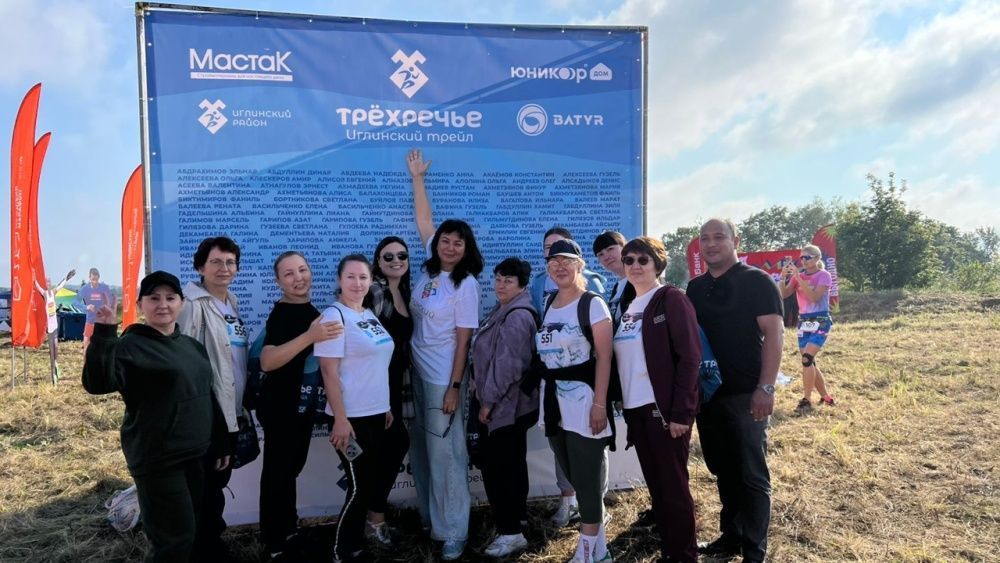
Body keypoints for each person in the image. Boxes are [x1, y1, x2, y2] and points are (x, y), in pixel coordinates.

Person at [82, 271, 231, 562]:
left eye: (170, 298)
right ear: (140, 305)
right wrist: (105, 332)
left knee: (196, 532)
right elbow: (97, 384)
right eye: (154, 298)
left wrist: (221, 439)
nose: (163, 304)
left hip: (197, 456)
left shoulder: (191, 346)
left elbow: (207, 394)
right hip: (159, 459)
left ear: (181, 303)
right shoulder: (130, 346)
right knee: (173, 541)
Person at [686, 219, 784, 563]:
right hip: (709, 395)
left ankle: (754, 551)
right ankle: (732, 537)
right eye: (705, 238)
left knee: (751, 473)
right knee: (723, 469)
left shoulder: (757, 281)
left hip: (747, 394)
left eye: (719, 237)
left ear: (735, 240)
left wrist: (766, 387)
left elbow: (775, 334)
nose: (711, 244)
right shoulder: (695, 288)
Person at [407, 149, 483, 560]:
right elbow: (424, 221)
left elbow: (464, 340)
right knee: (424, 451)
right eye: (445, 240)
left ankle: (454, 530)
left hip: (443, 379)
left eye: (458, 242)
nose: (450, 246)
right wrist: (417, 179)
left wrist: (455, 386)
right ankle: (432, 520)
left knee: (447, 455)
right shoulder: (428, 272)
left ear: (467, 248)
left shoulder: (465, 284)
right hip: (419, 374)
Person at [613, 237, 699, 562]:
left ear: (658, 264)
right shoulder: (629, 307)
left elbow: (690, 358)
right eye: (629, 260)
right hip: (636, 411)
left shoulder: (671, 299)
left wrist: (681, 413)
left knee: (674, 489)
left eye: (643, 260)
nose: (635, 266)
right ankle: (670, 551)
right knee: (658, 488)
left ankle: (684, 556)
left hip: (663, 412)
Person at [530, 238, 615, 563]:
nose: (560, 267)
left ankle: (588, 552)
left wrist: (599, 404)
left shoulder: (593, 304)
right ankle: (600, 551)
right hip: (553, 403)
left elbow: (604, 358)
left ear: (580, 266)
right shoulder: (550, 302)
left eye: (567, 261)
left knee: (587, 479)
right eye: (554, 262)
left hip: (583, 402)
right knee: (575, 478)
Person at [258, 252, 344, 561]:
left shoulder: (310, 310)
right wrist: (310, 336)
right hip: (280, 406)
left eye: (302, 270)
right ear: (278, 282)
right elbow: (268, 361)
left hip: (301, 407)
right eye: (289, 274)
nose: (299, 278)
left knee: (290, 470)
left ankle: (287, 530)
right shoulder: (283, 312)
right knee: (278, 473)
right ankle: (275, 543)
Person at [314, 254, 395, 563]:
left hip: (375, 415)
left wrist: (385, 406)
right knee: (360, 487)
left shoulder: (368, 314)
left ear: (371, 280)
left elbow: (375, 364)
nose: (357, 283)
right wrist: (340, 419)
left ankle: (356, 545)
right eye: (350, 276)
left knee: (368, 483)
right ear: (339, 280)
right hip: (350, 420)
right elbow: (329, 371)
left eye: (363, 277)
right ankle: (341, 551)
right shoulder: (334, 316)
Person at [177, 236, 247, 559]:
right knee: (204, 489)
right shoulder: (192, 305)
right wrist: (212, 420)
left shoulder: (231, 302)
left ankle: (211, 545)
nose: (224, 268)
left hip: (230, 410)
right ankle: (203, 550)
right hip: (208, 416)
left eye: (230, 262)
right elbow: (186, 364)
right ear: (200, 267)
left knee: (216, 484)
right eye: (216, 262)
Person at [472, 258, 539, 558]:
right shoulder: (503, 309)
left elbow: (508, 366)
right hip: (505, 406)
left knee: (500, 470)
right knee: (511, 466)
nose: (500, 285)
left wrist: (487, 402)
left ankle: (510, 533)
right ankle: (516, 522)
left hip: (505, 408)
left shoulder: (517, 316)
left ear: (522, 285)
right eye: (498, 279)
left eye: (508, 281)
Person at [363, 236, 414, 546]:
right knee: (391, 445)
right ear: (378, 262)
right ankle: (373, 519)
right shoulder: (375, 292)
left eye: (402, 255)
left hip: (396, 383)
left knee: (390, 447)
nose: (396, 261)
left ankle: (374, 518)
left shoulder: (405, 292)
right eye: (388, 256)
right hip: (375, 384)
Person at [779, 244, 835, 411]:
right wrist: (783, 277)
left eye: (807, 257)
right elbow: (784, 294)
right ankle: (826, 397)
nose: (803, 260)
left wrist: (799, 277)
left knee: (807, 359)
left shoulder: (824, 275)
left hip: (821, 320)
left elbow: (813, 297)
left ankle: (806, 399)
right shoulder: (799, 276)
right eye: (801, 257)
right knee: (810, 363)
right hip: (804, 321)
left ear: (817, 258)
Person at [34, 268, 75, 384]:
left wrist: (67, 278)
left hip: (55, 324)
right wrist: (33, 277)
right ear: (45, 284)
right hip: (49, 327)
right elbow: (37, 286)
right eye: (46, 282)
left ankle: (56, 366)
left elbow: (60, 286)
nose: (48, 283)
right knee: (51, 351)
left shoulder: (53, 292)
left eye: (49, 281)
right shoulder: (44, 294)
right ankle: (53, 375)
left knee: (56, 347)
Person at [76, 267, 116, 353]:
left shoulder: (104, 288)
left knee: (102, 348)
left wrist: (107, 306)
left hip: (102, 323)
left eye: (96, 280)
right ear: (89, 278)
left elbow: (111, 301)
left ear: (99, 278)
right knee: (86, 347)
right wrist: (86, 307)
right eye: (93, 280)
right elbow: (75, 302)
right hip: (90, 322)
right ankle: (86, 361)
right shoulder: (85, 289)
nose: (94, 282)